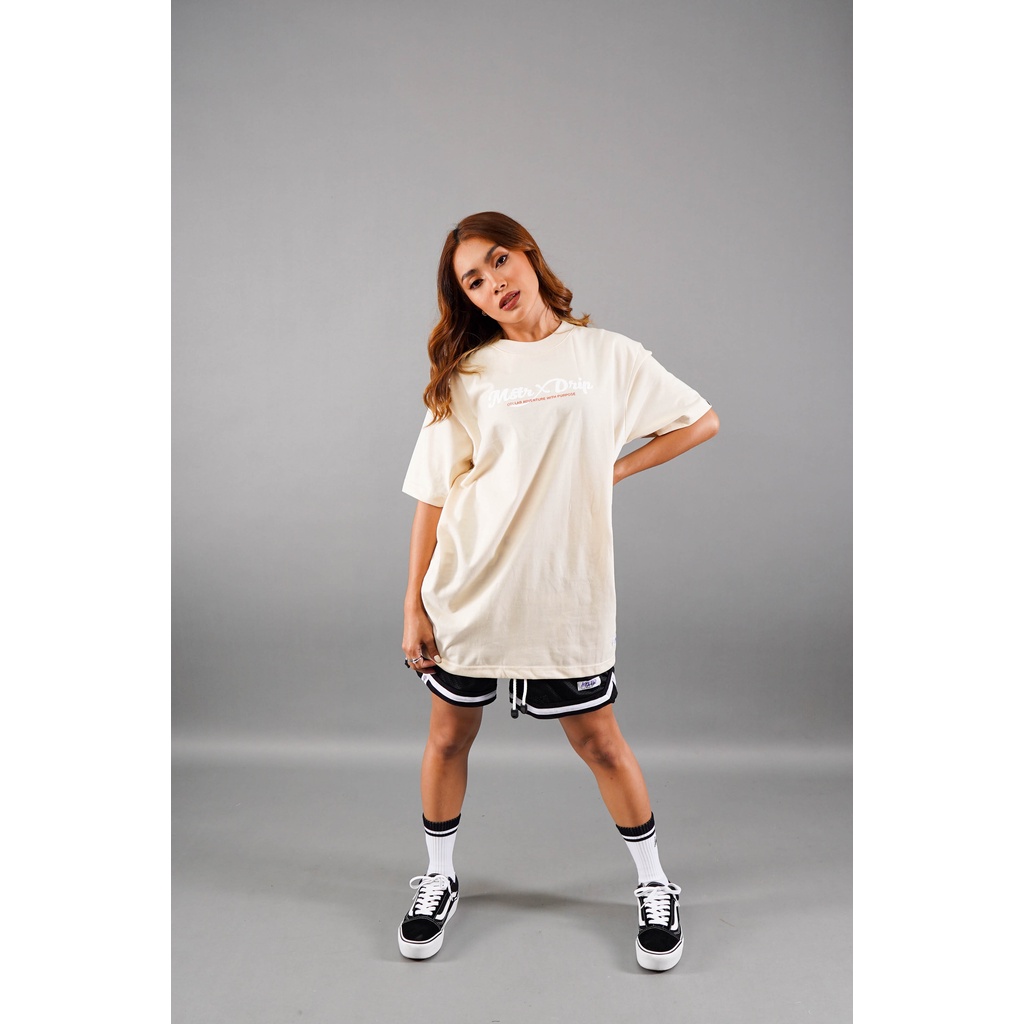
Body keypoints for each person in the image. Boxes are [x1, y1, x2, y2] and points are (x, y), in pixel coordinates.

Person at [398, 211, 719, 971]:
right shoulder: (467, 377)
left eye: (499, 261)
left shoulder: (609, 356)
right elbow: (434, 496)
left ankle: (654, 883)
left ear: (529, 256)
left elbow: (700, 422)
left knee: (599, 741)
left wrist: (613, 470)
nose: (493, 284)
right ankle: (438, 876)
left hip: (566, 592)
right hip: (471, 588)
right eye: (473, 281)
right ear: (467, 300)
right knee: (448, 736)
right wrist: (412, 605)